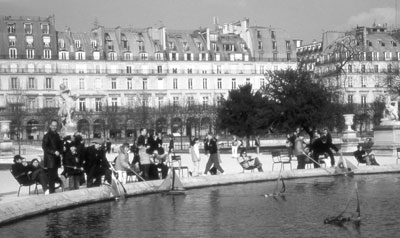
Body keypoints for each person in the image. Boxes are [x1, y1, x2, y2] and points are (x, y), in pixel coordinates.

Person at [42, 119, 63, 194]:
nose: (54, 127)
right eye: (53, 125)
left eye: (55, 126)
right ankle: (51, 192)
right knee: (52, 177)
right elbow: (44, 147)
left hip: (55, 159)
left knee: (54, 176)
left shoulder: (57, 135)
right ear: (50, 126)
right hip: (50, 160)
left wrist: (61, 149)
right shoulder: (47, 135)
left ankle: (53, 190)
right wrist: (54, 152)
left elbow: (59, 146)